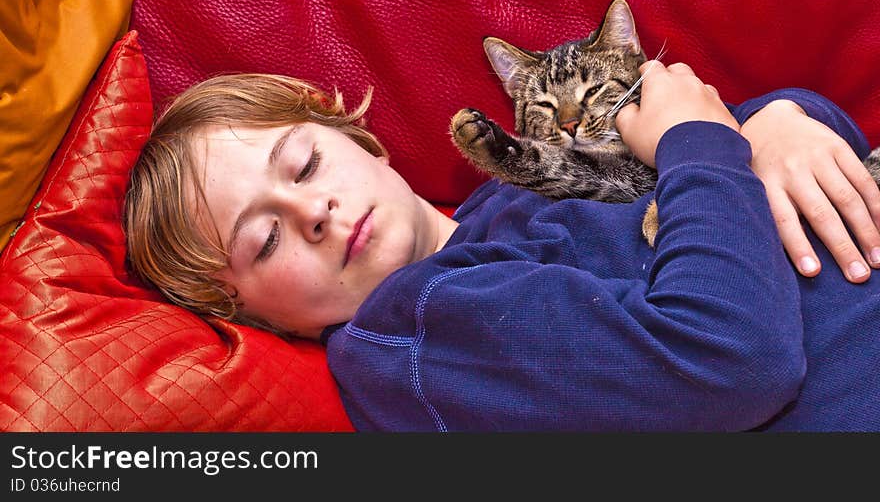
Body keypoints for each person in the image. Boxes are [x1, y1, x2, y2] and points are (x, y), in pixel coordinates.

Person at [124, 62, 880, 430]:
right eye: (265, 240)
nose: (311, 211)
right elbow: (733, 357)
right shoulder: (411, 331)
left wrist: (781, 120)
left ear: (357, 136)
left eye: (303, 164)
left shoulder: (508, 198)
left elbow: (739, 168)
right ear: (250, 314)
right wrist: (708, 142)